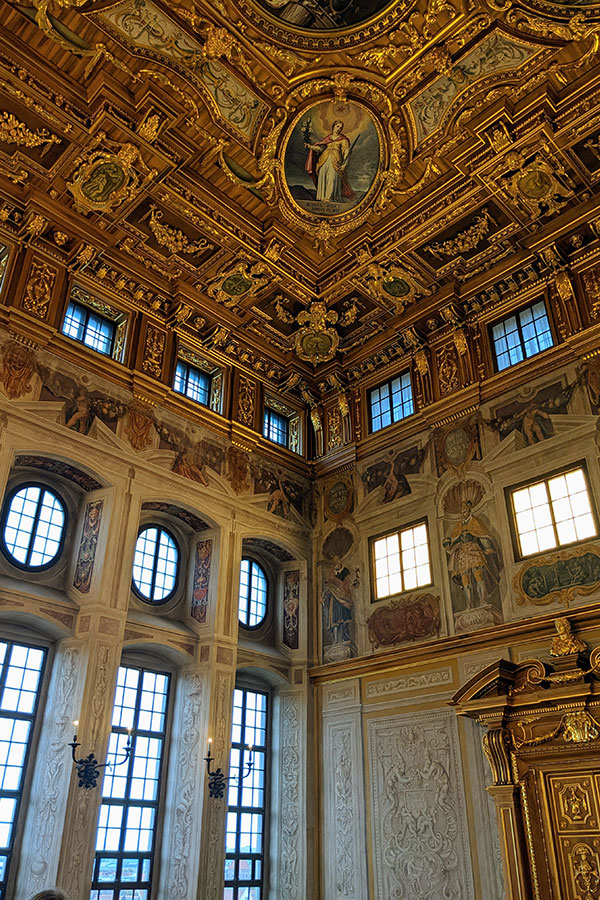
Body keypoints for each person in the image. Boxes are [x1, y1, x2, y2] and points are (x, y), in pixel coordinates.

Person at [305, 120, 355, 203]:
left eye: (341, 127)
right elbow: (320, 148)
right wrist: (310, 147)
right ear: (333, 126)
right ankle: (322, 197)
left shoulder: (343, 140)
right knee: (323, 176)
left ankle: (329, 197)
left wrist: (344, 164)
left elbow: (346, 153)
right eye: (337, 126)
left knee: (332, 178)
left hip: (335, 161)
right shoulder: (327, 138)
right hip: (324, 160)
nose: (339, 128)